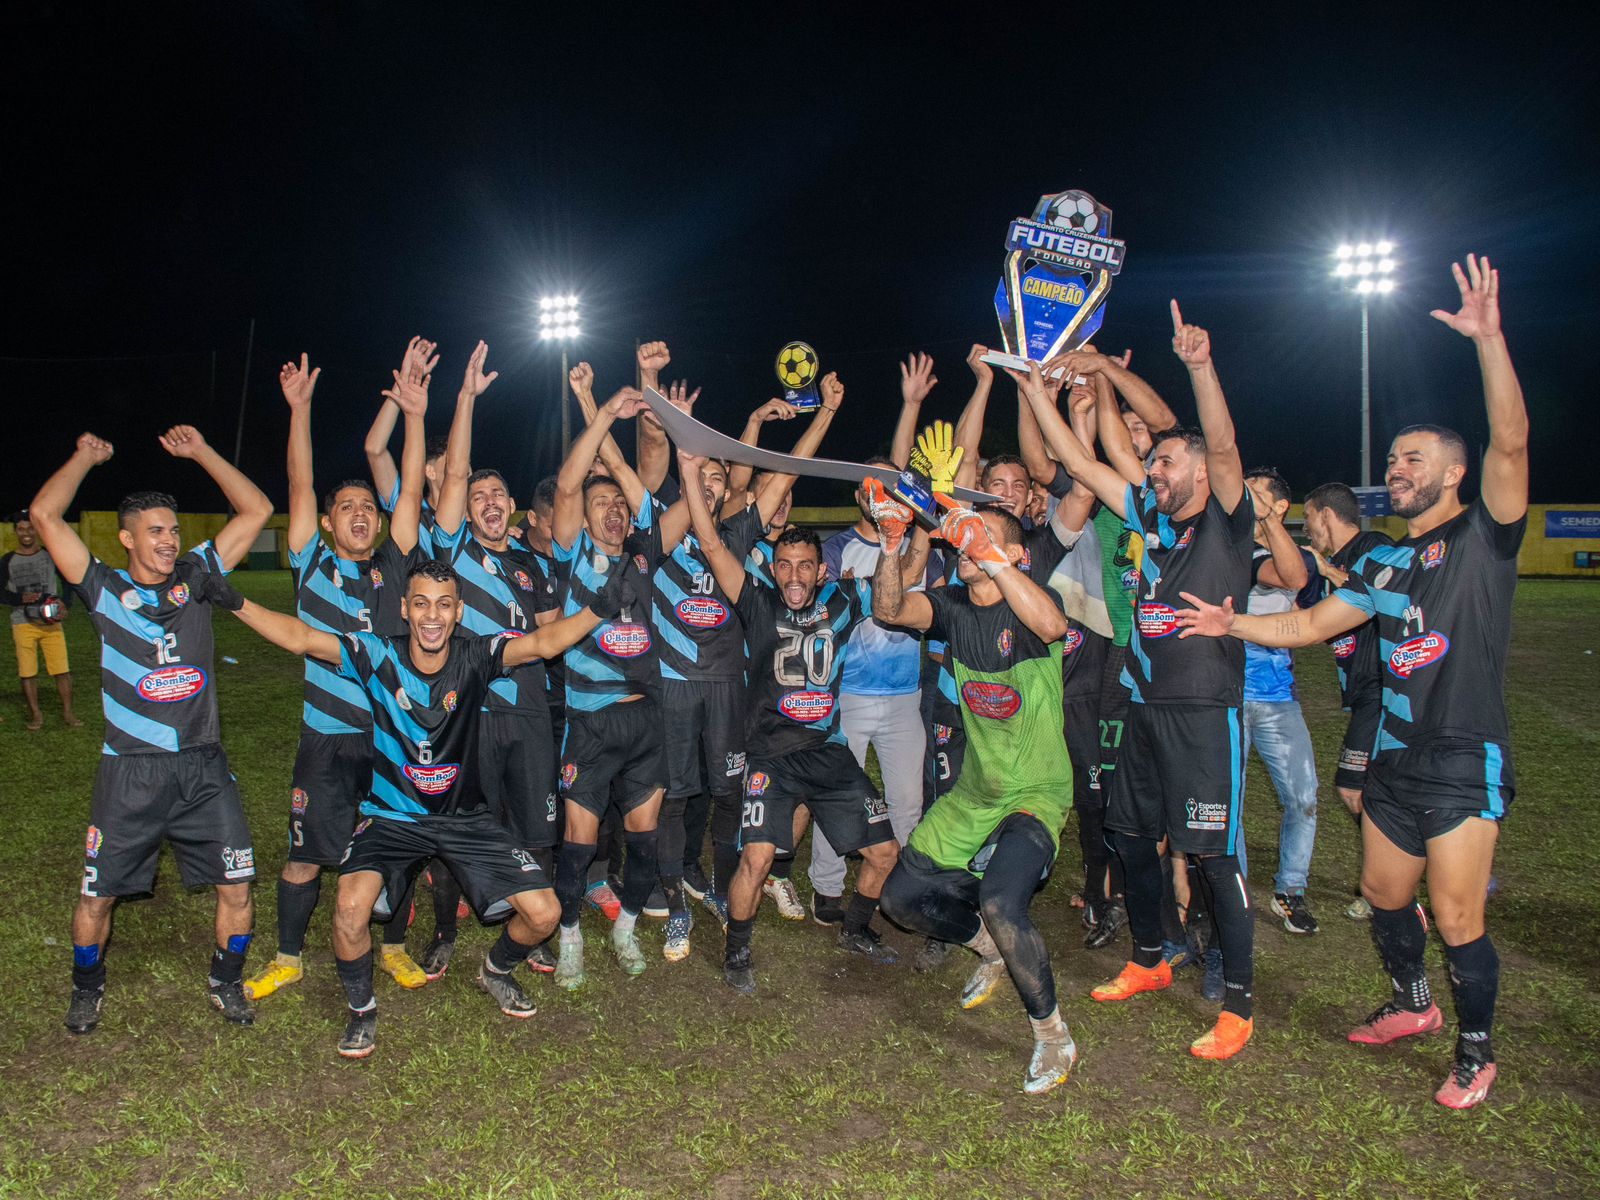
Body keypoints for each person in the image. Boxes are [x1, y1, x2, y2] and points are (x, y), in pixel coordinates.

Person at [1177, 255, 1527, 1107]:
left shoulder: (1485, 539)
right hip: (1395, 761)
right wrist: (1234, 624)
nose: (1397, 469)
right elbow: (1306, 623)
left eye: (1413, 460)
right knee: (1381, 894)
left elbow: (1511, 442)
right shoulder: (1389, 565)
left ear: (1454, 472)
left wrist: (1489, 341)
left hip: (1460, 757)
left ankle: (1476, 1049)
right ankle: (1413, 1005)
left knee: (1456, 918)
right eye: (1395, 460)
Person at [211, 555, 635, 1057]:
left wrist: (599, 609)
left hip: (464, 819)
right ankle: (361, 1009)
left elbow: (543, 643)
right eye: (421, 604)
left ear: (458, 613)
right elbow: (302, 638)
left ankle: (495, 969)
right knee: (349, 910)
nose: (432, 616)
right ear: (405, 611)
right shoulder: (374, 653)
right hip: (391, 817)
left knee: (544, 914)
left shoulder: (477, 655)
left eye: (443, 605)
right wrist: (232, 599)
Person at [1019, 300, 1257, 1061]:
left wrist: (1199, 367)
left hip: (1202, 708)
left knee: (1214, 856)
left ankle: (1240, 1006)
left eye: (1164, 462)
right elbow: (1083, 464)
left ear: (1197, 472)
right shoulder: (1148, 522)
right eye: (1151, 464)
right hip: (1141, 702)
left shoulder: (1224, 518)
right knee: (1130, 833)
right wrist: (1034, 392)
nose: (1152, 470)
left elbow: (1220, 444)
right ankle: (1150, 958)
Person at [30, 427, 273, 1034]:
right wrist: (84, 456)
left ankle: (226, 980)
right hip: (129, 770)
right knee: (96, 896)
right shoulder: (102, 587)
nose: (169, 540)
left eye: (172, 530)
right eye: (156, 531)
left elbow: (257, 510)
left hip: (203, 766)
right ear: (127, 538)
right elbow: (44, 513)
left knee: (237, 886)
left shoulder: (201, 574)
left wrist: (202, 452)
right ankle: (87, 987)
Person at [244, 347, 432, 1004]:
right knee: (306, 854)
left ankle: (396, 948)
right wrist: (299, 411)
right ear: (327, 523)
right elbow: (298, 485)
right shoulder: (311, 566)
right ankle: (288, 956)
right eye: (347, 507)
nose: (360, 514)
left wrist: (414, 415)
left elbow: (410, 487)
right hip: (325, 741)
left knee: (398, 847)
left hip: (390, 741)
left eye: (366, 508)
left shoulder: (398, 566)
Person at [874, 496, 1080, 1095]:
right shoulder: (953, 608)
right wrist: (892, 541)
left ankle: (1052, 1036)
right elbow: (889, 608)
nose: (964, 544)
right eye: (963, 537)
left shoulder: (1033, 606)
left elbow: (1053, 626)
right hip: (976, 790)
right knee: (903, 897)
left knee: (1000, 897)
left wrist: (992, 556)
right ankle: (991, 949)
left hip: (1035, 792)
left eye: (980, 537)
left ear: (1014, 554)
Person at [679, 449, 904, 994]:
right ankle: (737, 952)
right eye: (785, 565)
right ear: (772, 566)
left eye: (805, 565)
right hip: (771, 757)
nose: (795, 575)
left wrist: (900, 531)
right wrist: (689, 471)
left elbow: (899, 588)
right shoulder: (756, 602)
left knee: (884, 852)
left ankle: (855, 931)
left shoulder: (846, 600)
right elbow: (711, 544)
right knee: (755, 858)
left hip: (828, 753)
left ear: (820, 569)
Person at [649, 386, 836, 959]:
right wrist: (659, 405)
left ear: (726, 487)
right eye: (698, 479)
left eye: (716, 480)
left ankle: (718, 888)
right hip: (675, 686)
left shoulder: (738, 535)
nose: (709, 486)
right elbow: (646, 453)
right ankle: (675, 904)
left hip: (729, 688)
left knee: (729, 794)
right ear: (686, 486)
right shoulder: (657, 535)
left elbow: (785, 473)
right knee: (675, 799)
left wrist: (824, 412)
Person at [429, 341, 566, 978]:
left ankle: (528, 929)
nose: (485, 499)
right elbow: (451, 478)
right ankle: (444, 931)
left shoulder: (532, 565)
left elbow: (550, 635)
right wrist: (465, 399)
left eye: (496, 493)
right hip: (473, 715)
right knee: (461, 824)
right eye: (477, 492)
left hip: (532, 713)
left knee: (539, 827)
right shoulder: (453, 550)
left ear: (510, 507)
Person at [548, 384, 690, 987]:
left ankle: (627, 927)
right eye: (600, 502)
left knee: (644, 839)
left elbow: (685, 512)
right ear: (583, 515)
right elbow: (564, 486)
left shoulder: (642, 556)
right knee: (579, 842)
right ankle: (570, 934)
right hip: (591, 723)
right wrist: (601, 409)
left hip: (645, 723)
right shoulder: (571, 554)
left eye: (619, 504)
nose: (613, 511)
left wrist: (691, 446)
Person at [1302, 481, 1395, 921]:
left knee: (1352, 786)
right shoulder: (1332, 563)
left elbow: (1376, 596)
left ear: (1325, 515)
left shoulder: (1374, 546)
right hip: (1361, 692)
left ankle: (1387, 882)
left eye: (1309, 519)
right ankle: (1395, 874)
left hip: (1384, 688)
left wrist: (1326, 570)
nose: (1308, 530)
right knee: (1379, 791)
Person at [1238, 468, 1319, 935]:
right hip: (1225, 693)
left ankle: (1290, 891)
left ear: (1280, 505)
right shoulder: (1230, 548)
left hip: (1277, 698)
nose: (1241, 497)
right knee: (1233, 800)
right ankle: (1238, 890)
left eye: (1254, 492)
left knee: (1303, 799)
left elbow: (1302, 578)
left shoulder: (1292, 556)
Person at [2, 510, 82, 729]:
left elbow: (68, 579)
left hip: (51, 622)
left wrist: (66, 602)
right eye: (21, 528)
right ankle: (36, 715)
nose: (26, 533)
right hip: (22, 622)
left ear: (36, 530)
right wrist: (20, 597)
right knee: (27, 671)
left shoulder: (49, 555)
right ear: (15, 532)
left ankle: (68, 713)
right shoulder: (8, 560)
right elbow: (1, 592)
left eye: (30, 528)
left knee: (61, 669)